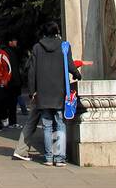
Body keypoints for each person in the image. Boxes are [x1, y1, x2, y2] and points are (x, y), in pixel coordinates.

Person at [26, 22, 79, 166]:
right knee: (60, 123)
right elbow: (70, 65)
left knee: (47, 125)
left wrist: (32, 91)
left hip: (43, 93)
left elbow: (31, 71)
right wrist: (77, 74)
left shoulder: (37, 48)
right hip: (59, 92)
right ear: (57, 32)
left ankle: (49, 157)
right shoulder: (64, 46)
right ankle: (59, 157)